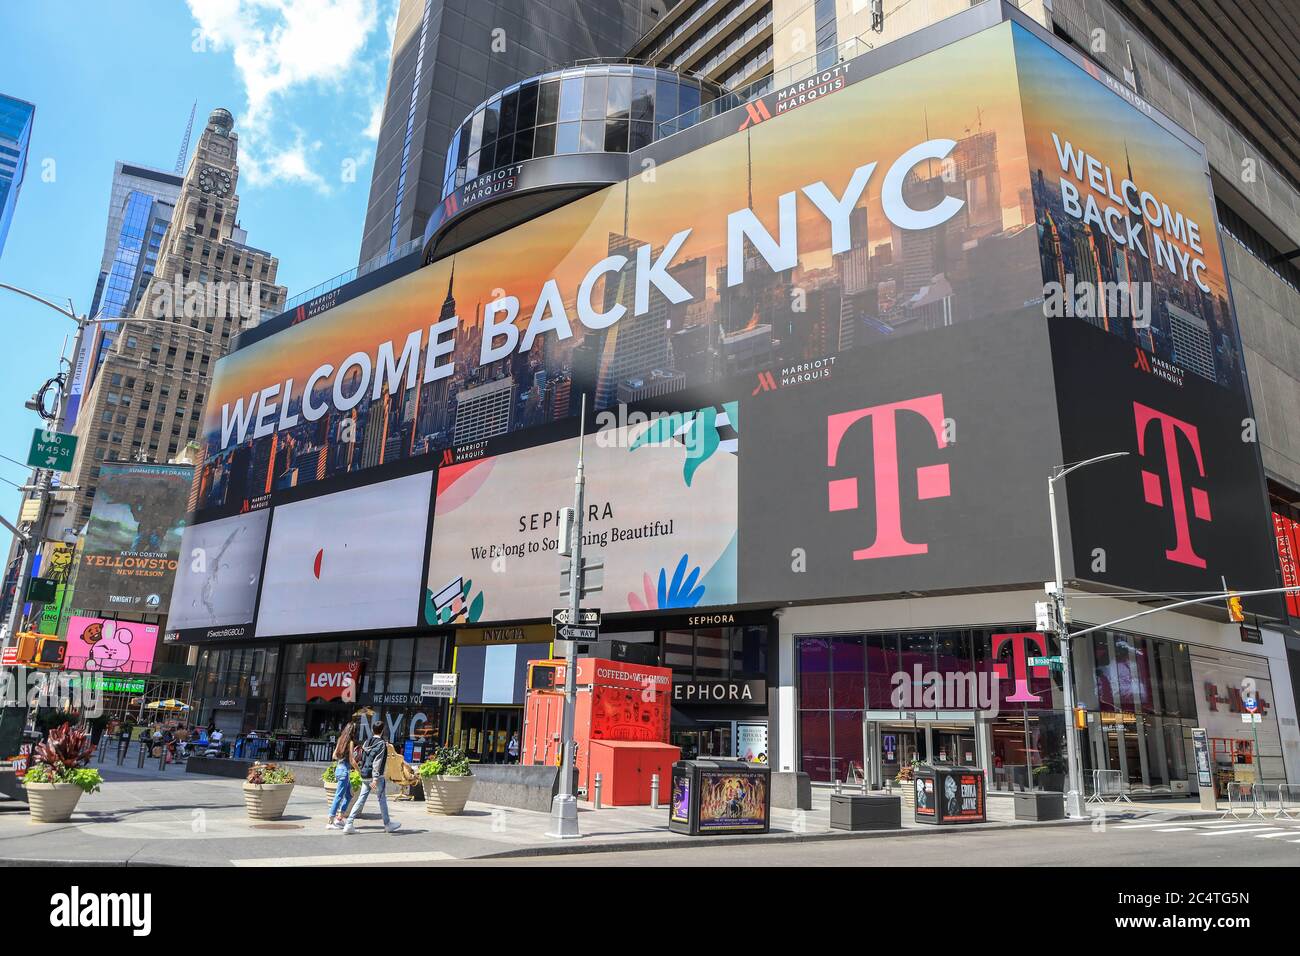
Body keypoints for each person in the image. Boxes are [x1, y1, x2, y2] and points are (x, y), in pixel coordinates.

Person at [342, 722, 400, 834]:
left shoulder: (366, 742)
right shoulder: (382, 744)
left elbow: (363, 758)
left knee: (360, 799)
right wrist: (375, 778)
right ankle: (387, 824)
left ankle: (349, 823)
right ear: (382, 730)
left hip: (365, 774)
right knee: (382, 800)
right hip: (376, 777)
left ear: (373, 730)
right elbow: (377, 762)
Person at [326, 720, 358, 830]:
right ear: (353, 732)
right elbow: (352, 761)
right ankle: (330, 821)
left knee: (349, 795)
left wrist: (342, 755)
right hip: (344, 770)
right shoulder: (350, 742)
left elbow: (334, 755)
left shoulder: (340, 739)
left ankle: (339, 818)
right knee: (339, 796)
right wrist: (359, 771)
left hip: (339, 769)